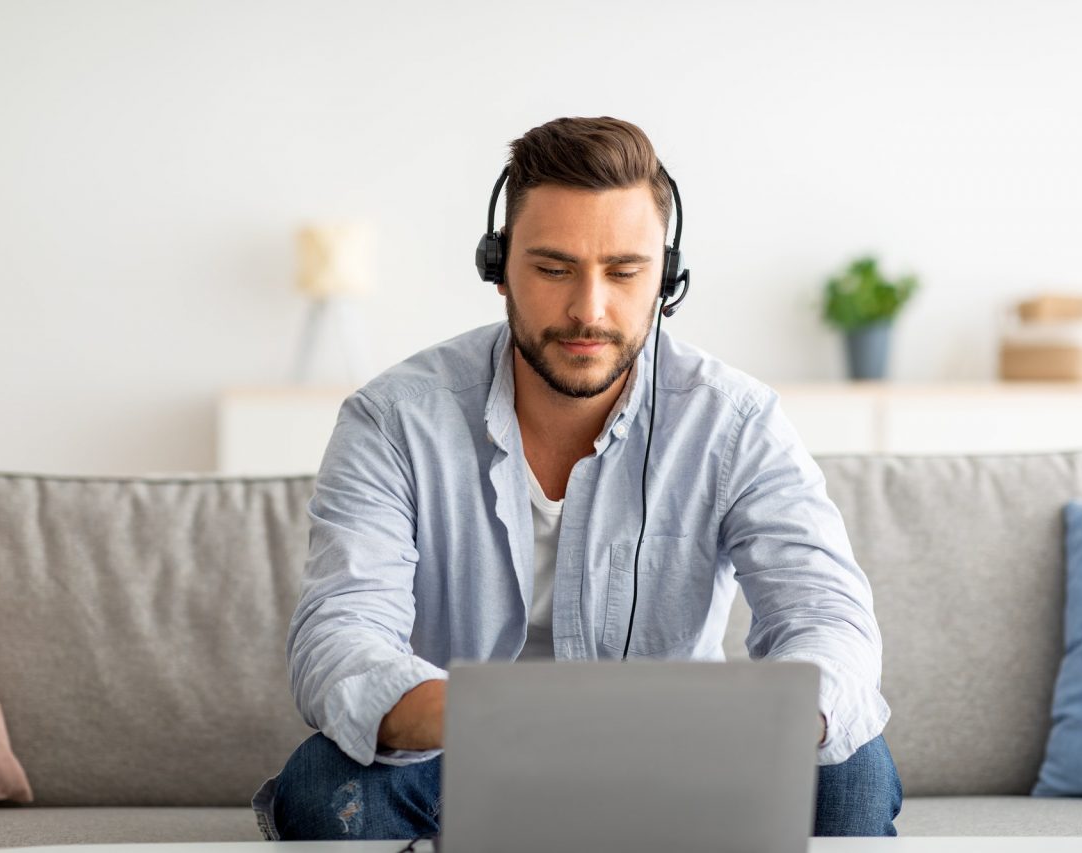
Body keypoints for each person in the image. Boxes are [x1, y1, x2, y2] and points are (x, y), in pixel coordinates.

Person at [252, 116, 902, 841]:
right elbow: (339, 637)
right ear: (499, 269)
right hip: (463, 753)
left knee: (854, 768)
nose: (589, 310)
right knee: (322, 787)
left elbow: (828, 617)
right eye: (554, 269)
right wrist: (495, 714)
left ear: (669, 277)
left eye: (625, 272)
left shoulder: (735, 420)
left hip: (683, 752)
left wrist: (776, 719)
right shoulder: (393, 419)